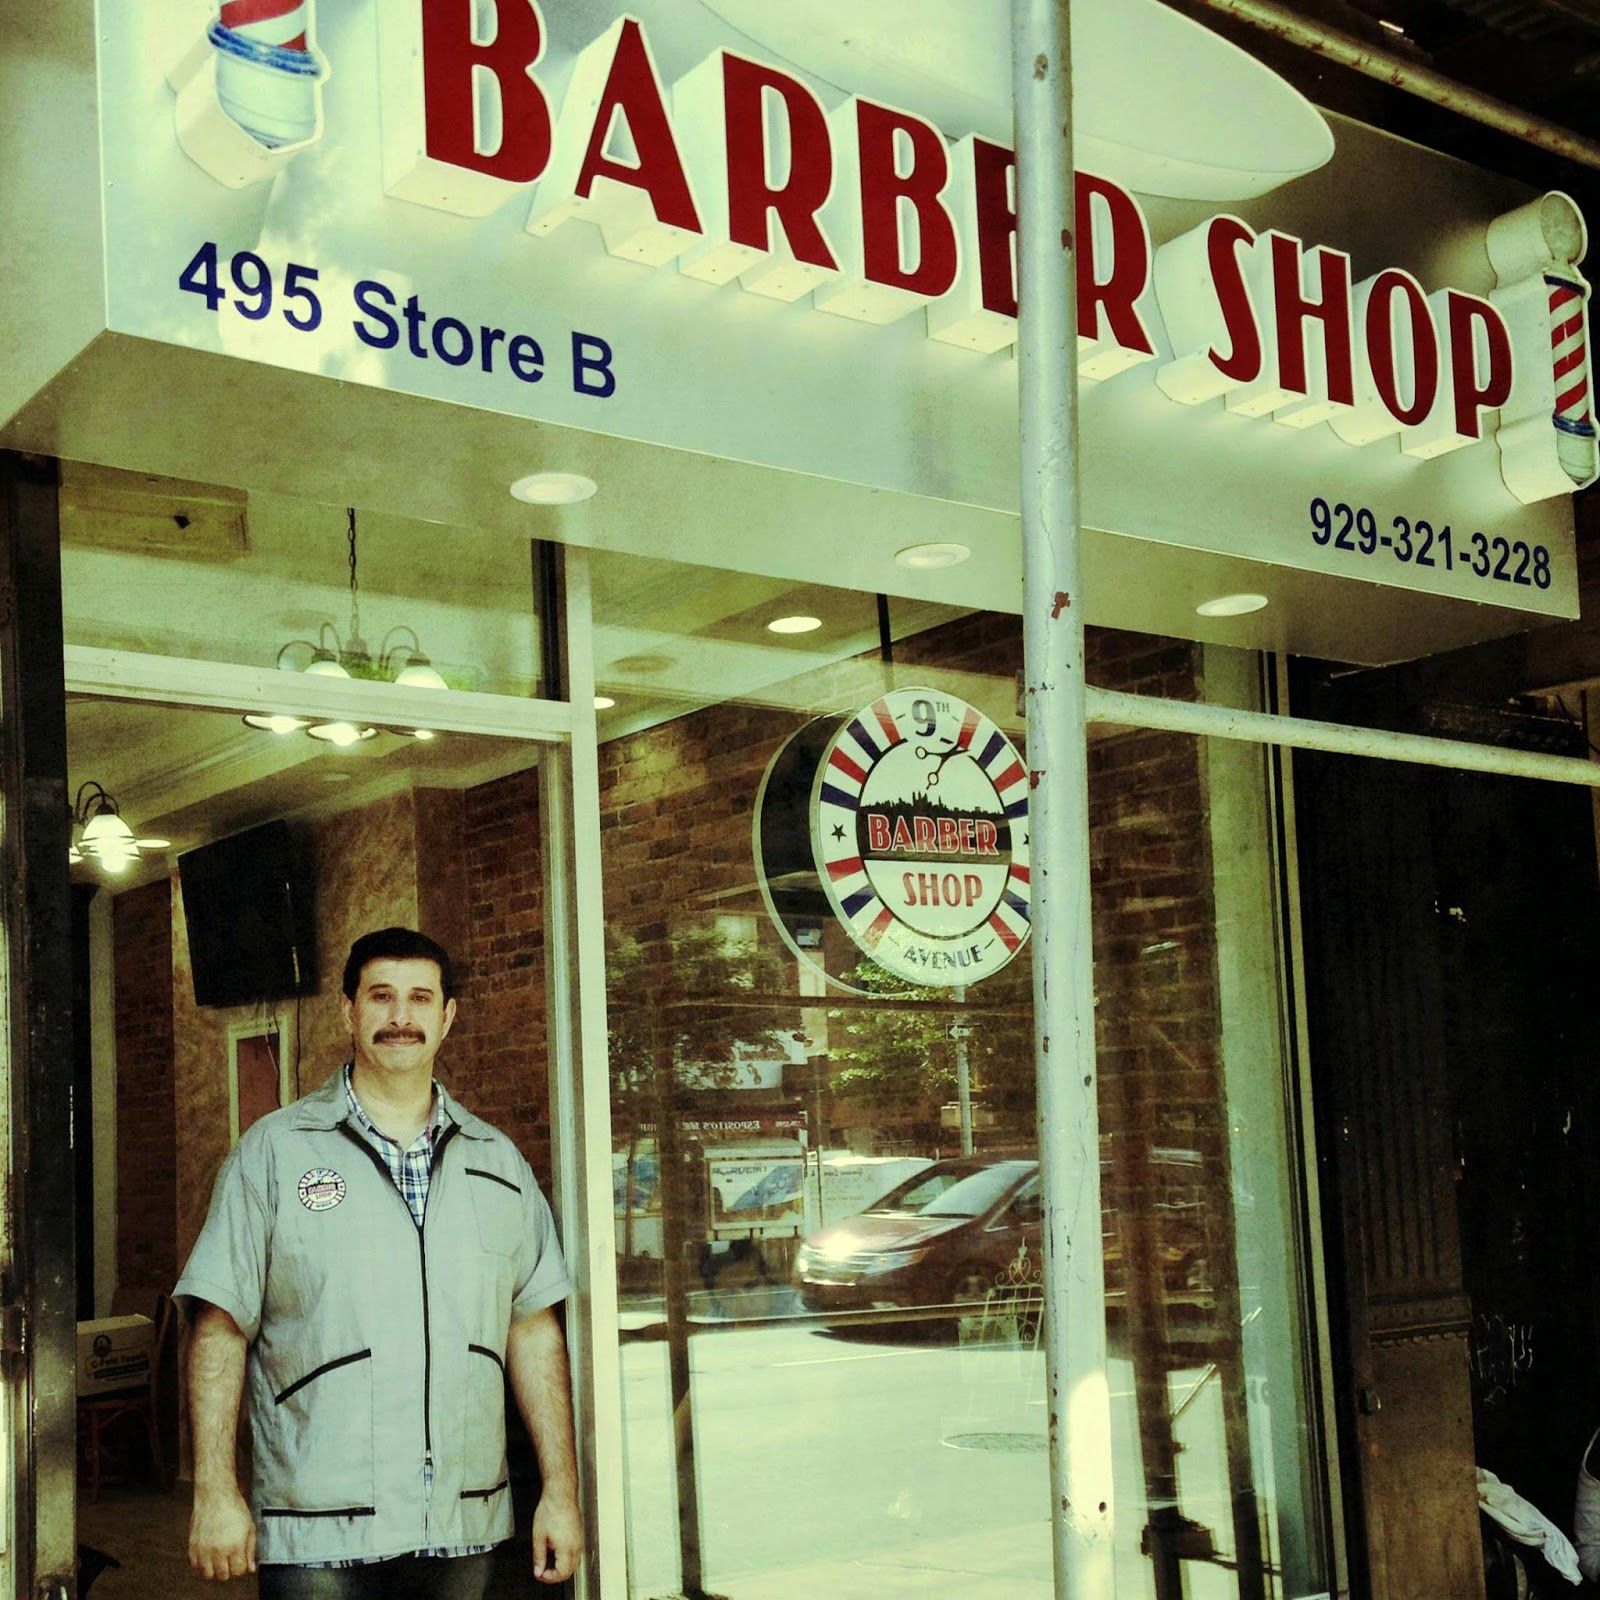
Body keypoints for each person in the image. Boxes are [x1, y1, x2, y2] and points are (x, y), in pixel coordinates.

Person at [176, 927, 582, 1596]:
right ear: (349, 1011)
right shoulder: (275, 1154)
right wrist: (215, 1491)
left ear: (447, 1015)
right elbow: (220, 1324)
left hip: (464, 1519)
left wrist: (560, 1493)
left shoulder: (498, 1162)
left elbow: (533, 1331)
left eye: (421, 998)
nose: (401, 1017)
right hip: (315, 1531)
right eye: (382, 997)